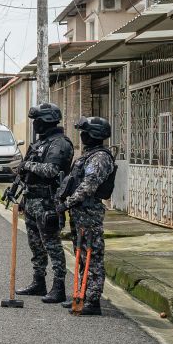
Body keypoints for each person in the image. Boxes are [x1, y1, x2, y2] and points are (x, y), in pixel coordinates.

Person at [55, 117, 116, 316]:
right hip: (79, 212)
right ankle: (81, 294)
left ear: (93, 135)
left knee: (93, 257)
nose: (82, 136)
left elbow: (89, 185)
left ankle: (92, 299)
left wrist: (68, 203)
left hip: (89, 213)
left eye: (85, 132)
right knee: (81, 256)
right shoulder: (89, 155)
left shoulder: (100, 157)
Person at [15, 103, 75, 303]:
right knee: (35, 245)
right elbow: (26, 173)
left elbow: (51, 170)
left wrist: (28, 165)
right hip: (32, 200)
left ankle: (58, 287)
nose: (35, 125)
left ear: (47, 121)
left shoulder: (59, 143)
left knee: (52, 245)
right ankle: (38, 282)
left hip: (48, 202)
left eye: (38, 121)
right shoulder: (40, 144)